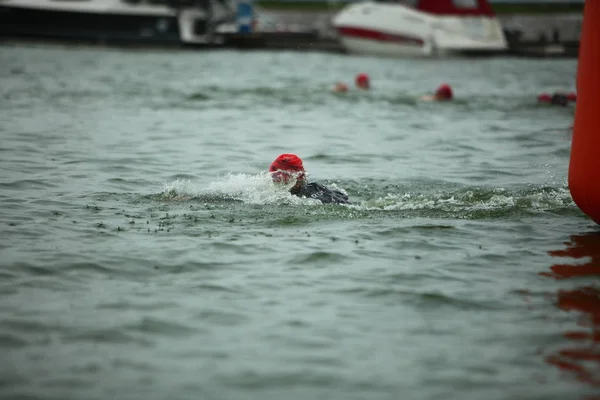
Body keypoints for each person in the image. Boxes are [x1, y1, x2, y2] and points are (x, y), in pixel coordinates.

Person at [268, 153, 350, 205]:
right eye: (273, 176)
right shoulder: (315, 186)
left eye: (277, 177)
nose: (274, 180)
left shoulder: (307, 200)